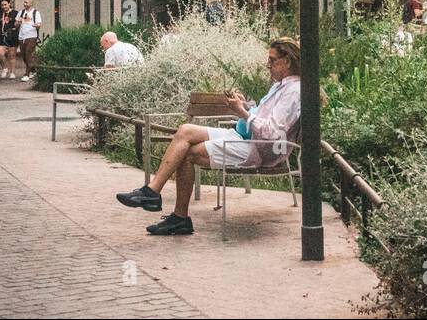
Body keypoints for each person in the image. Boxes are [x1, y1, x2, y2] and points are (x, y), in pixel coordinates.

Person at [115, 37, 302, 236]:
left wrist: (242, 113)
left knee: (187, 154)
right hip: (243, 136)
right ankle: (152, 191)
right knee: (185, 130)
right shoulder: (281, 85)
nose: (268, 65)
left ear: (287, 61)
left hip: (258, 148)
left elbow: (272, 133)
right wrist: (246, 106)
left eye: (272, 61)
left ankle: (178, 217)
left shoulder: (293, 91)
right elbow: (264, 116)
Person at [17, 0, 42, 82]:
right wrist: (18, 22)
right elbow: (16, 25)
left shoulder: (36, 13)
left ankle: (26, 74)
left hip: (31, 35)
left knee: (28, 53)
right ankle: (34, 70)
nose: (25, 4)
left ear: (31, 3)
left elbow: (39, 24)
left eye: (26, 2)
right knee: (23, 55)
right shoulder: (21, 12)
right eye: (24, 2)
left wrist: (36, 25)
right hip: (22, 36)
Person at [0, 0, 19, 80]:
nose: (4, 6)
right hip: (2, 36)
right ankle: (5, 68)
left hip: (12, 36)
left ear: (9, 4)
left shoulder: (15, 13)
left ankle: (12, 72)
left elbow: (17, 24)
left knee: (12, 55)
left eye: (5, 4)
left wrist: (16, 27)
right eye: (2, 5)